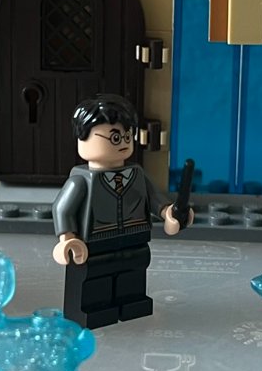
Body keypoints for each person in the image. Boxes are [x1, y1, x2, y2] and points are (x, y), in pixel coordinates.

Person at [51, 94, 188, 329]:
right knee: (96, 276)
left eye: (127, 135)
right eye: (115, 137)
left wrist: (170, 213)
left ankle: (131, 301)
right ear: (83, 138)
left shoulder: (136, 174)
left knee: (133, 271)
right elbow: (62, 208)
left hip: (135, 237)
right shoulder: (81, 180)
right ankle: (94, 308)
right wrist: (67, 238)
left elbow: (155, 199)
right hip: (95, 243)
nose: (123, 142)